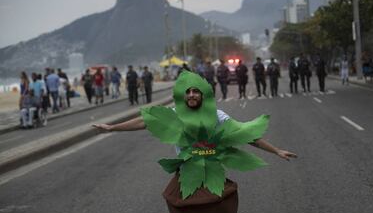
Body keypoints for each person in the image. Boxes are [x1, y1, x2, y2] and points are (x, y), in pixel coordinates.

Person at [93, 73, 297, 162]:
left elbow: (246, 135)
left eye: (195, 92)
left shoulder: (218, 116)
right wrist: (112, 128)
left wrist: (276, 150)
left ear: (202, 96)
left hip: (211, 167)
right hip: (186, 167)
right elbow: (144, 122)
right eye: (188, 92)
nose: (191, 95)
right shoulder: (175, 114)